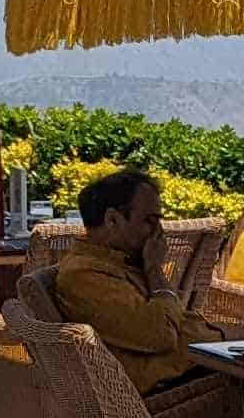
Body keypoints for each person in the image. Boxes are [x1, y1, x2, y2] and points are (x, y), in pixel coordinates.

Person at [51, 168, 200, 393]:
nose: (158, 232)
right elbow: (161, 334)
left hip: (206, 363)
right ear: (112, 219)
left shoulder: (122, 261)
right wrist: (154, 270)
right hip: (187, 387)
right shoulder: (84, 276)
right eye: (150, 221)